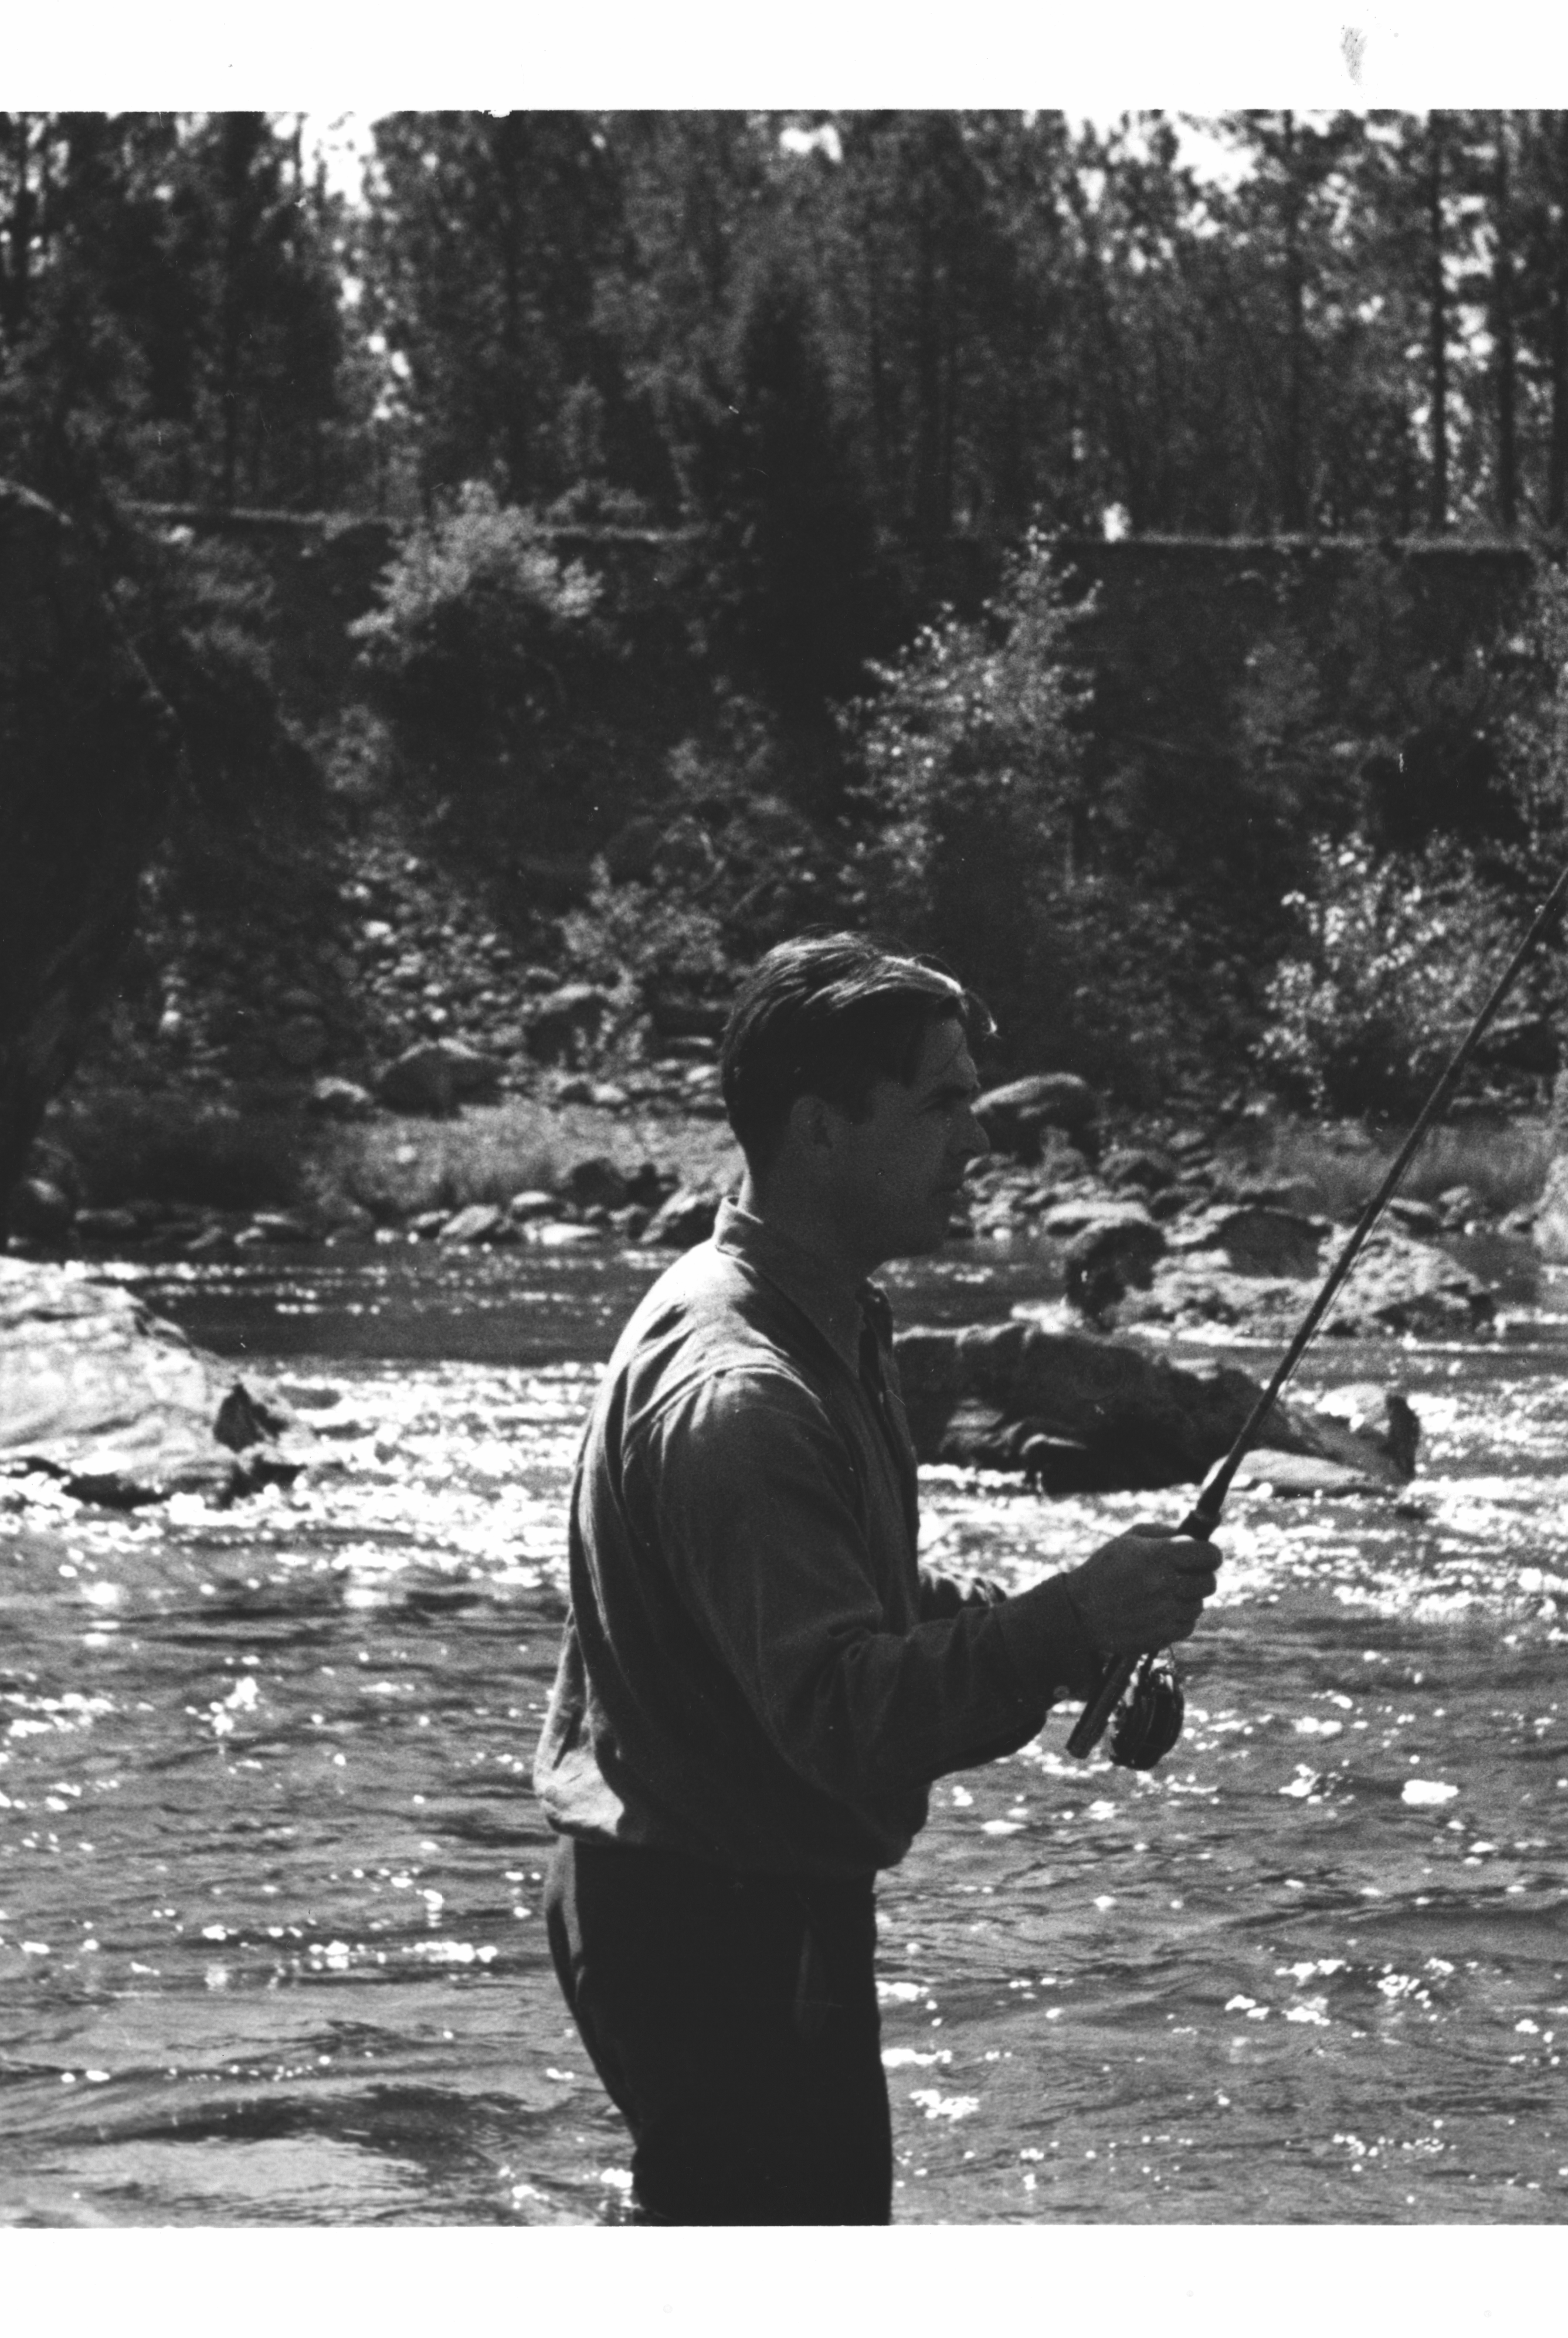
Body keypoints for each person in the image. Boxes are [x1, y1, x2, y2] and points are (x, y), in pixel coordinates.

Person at [533, 931, 1221, 2224]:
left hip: (717, 1893)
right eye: (942, 1101)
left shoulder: (812, 1310)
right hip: (714, 1925)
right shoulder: (741, 1391)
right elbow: (839, 1714)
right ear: (821, 1129)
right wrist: (1065, 1623)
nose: (977, 1139)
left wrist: (1072, 1629)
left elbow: (858, 1603)